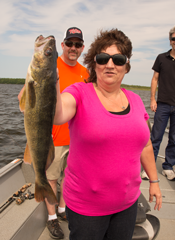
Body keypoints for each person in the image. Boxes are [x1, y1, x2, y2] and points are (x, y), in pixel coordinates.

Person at [54, 28, 162, 240]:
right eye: (103, 58)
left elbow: (146, 145)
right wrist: (49, 79)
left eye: (118, 59)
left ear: (126, 66)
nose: (110, 64)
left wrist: (155, 181)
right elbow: (57, 115)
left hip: (128, 203)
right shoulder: (79, 92)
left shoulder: (136, 100)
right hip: (86, 209)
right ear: (94, 63)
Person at [18, 27, 89, 239]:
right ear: (63, 46)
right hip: (53, 138)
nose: (73, 48)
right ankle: (52, 218)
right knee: (51, 177)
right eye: (70, 43)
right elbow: (23, 100)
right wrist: (29, 83)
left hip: (77, 138)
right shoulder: (51, 67)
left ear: (82, 47)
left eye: (77, 44)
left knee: (70, 176)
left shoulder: (85, 73)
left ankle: (61, 209)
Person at [143, 25, 175, 181]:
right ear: (170, 41)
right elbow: (155, 79)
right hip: (162, 105)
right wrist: (153, 99)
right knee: (156, 136)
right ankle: (149, 167)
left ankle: (168, 167)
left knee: (174, 138)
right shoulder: (161, 58)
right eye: (174, 39)